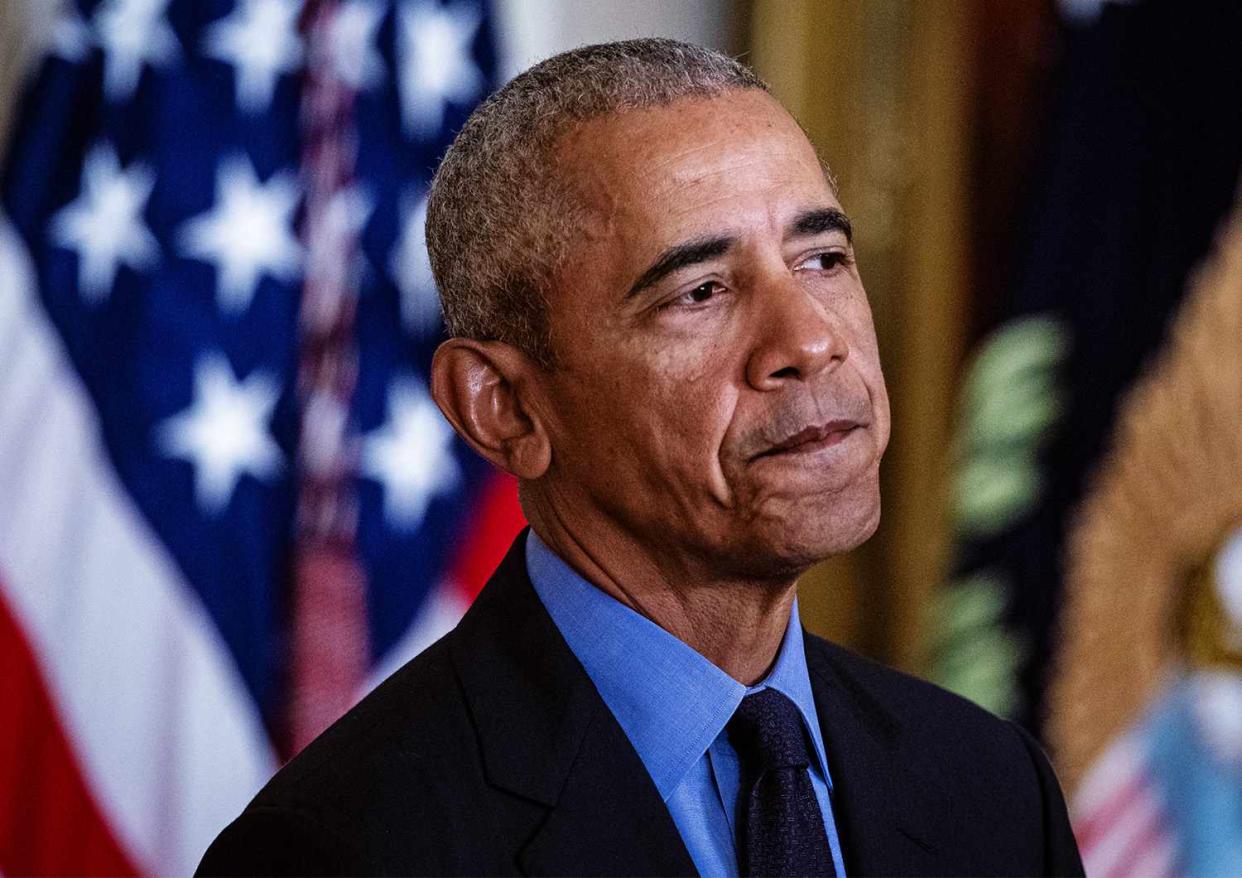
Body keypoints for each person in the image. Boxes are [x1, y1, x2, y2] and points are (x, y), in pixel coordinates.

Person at [198, 39, 1084, 877]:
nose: (812, 343)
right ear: (502, 407)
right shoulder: (345, 852)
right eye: (700, 291)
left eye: (821, 259)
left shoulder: (992, 788)